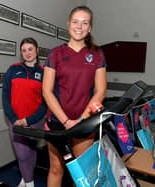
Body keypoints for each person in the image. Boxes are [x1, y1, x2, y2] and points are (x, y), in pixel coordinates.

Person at [42, 5, 107, 187]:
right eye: (75, 21)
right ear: (68, 24)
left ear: (90, 28)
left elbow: (100, 91)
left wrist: (80, 119)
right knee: (56, 169)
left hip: (85, 122)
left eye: (84, 23)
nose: (79, 26)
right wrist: (66, 121)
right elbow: (46, 91)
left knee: (79, 171)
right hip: (56, 121)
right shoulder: (55, 53)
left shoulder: (97, 54)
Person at [2, 37, 46, 187]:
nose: (27, 53)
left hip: (35, 120)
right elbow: (5, 96)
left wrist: (30, 120)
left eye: (30, 49)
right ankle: (29, 181)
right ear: (21, 53)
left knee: (30, 150)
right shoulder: (13, 69)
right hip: (15, 119)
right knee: (21, 153)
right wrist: (13, 118)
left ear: (37, 51)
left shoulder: (44, 72)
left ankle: (26, 178)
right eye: (24, 50)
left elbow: (46, 102)